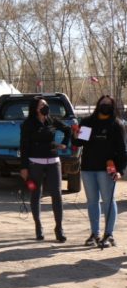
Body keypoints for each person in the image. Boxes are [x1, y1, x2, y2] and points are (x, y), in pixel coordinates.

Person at [74, 95, 126, 248]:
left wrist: (120, 171)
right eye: (103, 103)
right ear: (98, 104)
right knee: (92, 202)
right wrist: (74, 133)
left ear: (113, 106)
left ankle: (109, 234)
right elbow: (79, 142)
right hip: (88, 169)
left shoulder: (116, 125)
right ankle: (95, 234)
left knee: (108, 202)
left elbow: (123, 151)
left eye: (109, 104)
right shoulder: (89, 123)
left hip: (107, 170)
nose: (105, 106)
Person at [19, 96, 72, 242]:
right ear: (35, 108)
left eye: (46, 104)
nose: (45, 107)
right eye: (42, 105)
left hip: (54, 162)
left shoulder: (52, 120)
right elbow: (24, 146)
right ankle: (38, 227)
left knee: (57, 194)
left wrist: (64, 144)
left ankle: (59, 228)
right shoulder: (28, 124)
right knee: (36, 194)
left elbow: (67, 130)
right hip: (35, 163)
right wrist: (23, 167)